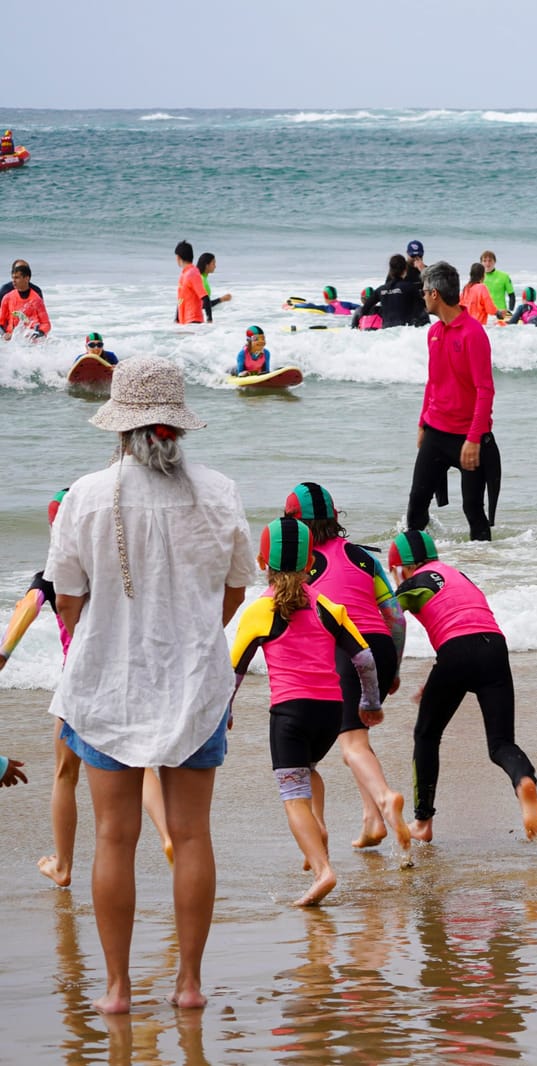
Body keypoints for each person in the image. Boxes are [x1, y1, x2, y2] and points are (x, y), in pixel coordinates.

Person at [46, 356, 255, 1014]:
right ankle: (189, 984)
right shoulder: (219, 491)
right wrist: (193, 633)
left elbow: (69, 603)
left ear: (119, 428)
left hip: (108, 686)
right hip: (195, 686)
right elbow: (235, 590)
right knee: (191, 835)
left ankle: (117, 989)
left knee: (114, 837)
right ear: (178, 428)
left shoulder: (84, 496)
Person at [2, 490, 172, 886]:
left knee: (66, 773)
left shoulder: (58, 567)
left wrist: (4, 652)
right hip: (131, 675)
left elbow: (29, 605)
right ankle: (167, 836)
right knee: (141, 764)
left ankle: (62, 865)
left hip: (81, 681)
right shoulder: (121, 564)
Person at [230, 517, 383, 907]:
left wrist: (223, 713)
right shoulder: (328, 606)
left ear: (264, 561)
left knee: (292, 793)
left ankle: (322, 870)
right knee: (308, 771)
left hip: (290, 714)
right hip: (330, 714)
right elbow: (364, 658)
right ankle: (318, 830)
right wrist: (369, 702)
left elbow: (234, 670)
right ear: (309, 564)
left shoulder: (259, 612)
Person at [388, 530, 537, 842]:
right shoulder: (457, 575)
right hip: (494, 647)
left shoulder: (412, 583)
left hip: (456, 653)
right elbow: (464, 619)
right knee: (501, 744)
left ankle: (423, 821)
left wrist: (390, 671)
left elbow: (392, 620)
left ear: (401, 568)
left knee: (426, 734)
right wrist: (437, 679)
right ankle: (524, 779)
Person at [287, 483, 412, 856]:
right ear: (335, 519)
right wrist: (393, 668)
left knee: (351, 745)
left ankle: (386, 799)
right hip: (382, 645)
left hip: (346, 647)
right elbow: (396, 618)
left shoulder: (304, 562)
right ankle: (371, 820)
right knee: (361, 738)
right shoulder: (362, 556)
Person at [406, 262, 502, 542]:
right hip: (436, 432)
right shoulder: (433, 333)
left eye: (424, 291)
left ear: (434, 294)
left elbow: (485, 390)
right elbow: (432, 382)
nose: (422, 297)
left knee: (473, 511)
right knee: (415, 512)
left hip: (468, 439)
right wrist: (422, 423)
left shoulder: (473, 334)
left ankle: (483, 570)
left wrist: (474, 439)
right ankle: (416, 567)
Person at [351, 255, 421, 330]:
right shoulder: (410, 287)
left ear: (390, 270)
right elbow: (422, 308)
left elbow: (364, 310)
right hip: (404, 332)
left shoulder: (380, 290)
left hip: (386, 332)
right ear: (405, 270)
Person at [1, 261, 50, 339]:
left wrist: (36, 335)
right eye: (13, 278)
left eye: (17, 278)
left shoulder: (36, 298)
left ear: (26, 278)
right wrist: (4, 335)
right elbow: (1, 321)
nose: (13, 280)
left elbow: (46, 324)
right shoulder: (7, 297)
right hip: (11, 341)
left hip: (30, 342)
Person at [175, 241, 207, 325]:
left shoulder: (192, 273)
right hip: (186, 322)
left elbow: (205, 297)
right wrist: (177, 318)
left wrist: (210, 319)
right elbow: (180, 299)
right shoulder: (184, 273)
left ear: (178, 257)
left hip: (193, 321)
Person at [196, 253, 231, 322]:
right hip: (195, 320)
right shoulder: (201, 280)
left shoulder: (201, 277)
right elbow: (202, 305)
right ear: (207, 265)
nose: (215, 266)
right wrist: (221, 299)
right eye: (213, 263)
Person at [402, 240, 430, 327]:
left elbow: (435, 290)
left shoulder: (428, 270)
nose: (416, 258)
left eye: (419, 256)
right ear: (407, 254)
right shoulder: (400, 270)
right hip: (405, 310)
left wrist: (423, 271)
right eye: (413, 256)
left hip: (421, 311)